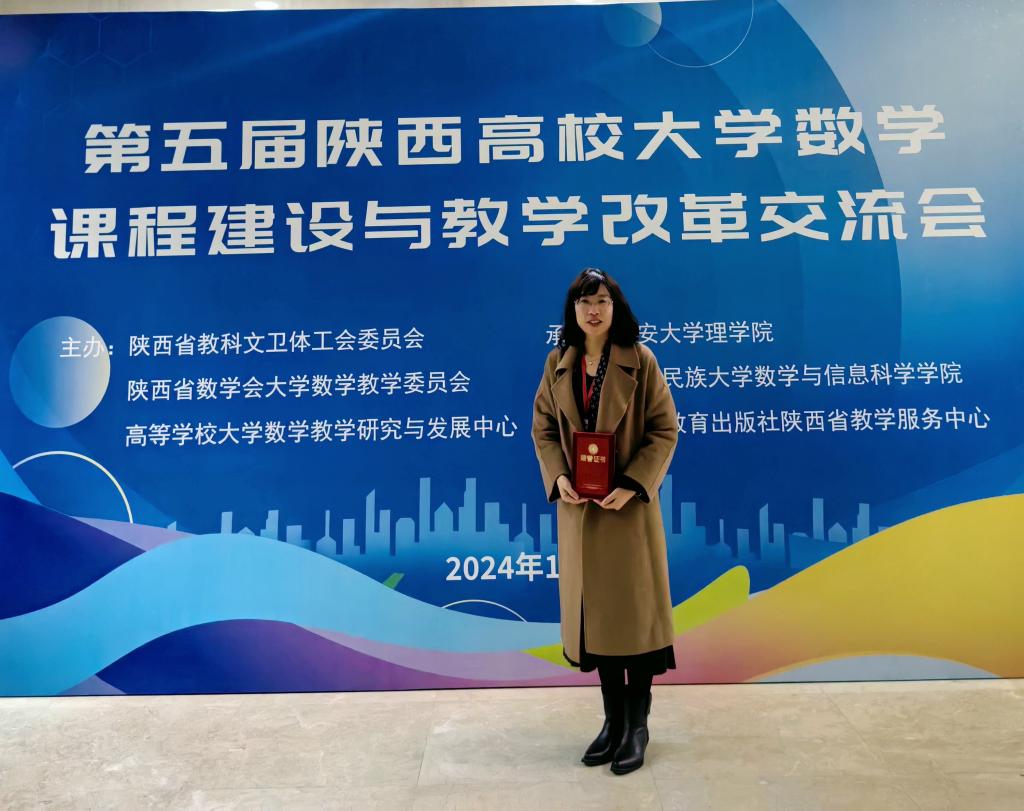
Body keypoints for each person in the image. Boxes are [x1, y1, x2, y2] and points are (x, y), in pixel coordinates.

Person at [531, 267, 679, 775]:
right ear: (572, 311)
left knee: (633, 626)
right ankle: (612, 721)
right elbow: (543, 429)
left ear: (616, 308)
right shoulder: (558, 363)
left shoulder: (641, 361)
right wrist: (558, 476)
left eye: (601, 301)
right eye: (584, 302)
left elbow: (664, 430)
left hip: (627, 515)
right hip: (581, 514)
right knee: (598, 628)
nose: (593, 311)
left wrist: (634, 483)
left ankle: (637, 726)